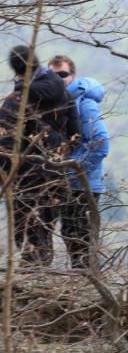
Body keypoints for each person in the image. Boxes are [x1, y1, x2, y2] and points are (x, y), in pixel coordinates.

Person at [0, 46, 80, 266]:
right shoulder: (66, 95)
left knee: (27, 232)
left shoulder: (17, 100)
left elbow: (4, 142)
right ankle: (41, 276)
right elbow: (76, 133)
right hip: (55, 173)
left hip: (25, 176)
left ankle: (32, 279)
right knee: (45, 227)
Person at [48, 55, 110, 270]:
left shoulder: (85, 104)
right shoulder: (54, 104)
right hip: (65, 182)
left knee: (79, 237)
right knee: (69, 233)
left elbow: (101, 143)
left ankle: (89, 286)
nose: (57, 79)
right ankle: (83, 283)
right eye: (52, 75)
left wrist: (76, 170)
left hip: (83, 183)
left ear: (72, 76)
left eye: (62, 75)